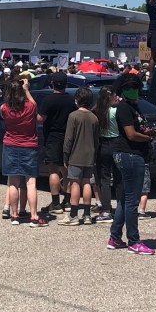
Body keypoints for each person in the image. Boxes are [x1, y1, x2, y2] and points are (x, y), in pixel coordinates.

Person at [108, 74, 156, 255]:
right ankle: (134, 240)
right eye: (130, 88)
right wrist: (148, 137)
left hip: (132, 154)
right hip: (129, 154)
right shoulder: (123, 108)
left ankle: (115, 236)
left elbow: (137, 129)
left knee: (124, 199)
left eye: (136, 87)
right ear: (123, 90)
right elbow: (131, 134)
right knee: (132, 201)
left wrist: (147, 131)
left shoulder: (134, 107)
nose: (134, 90)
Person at [0, 76, 47, 227]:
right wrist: (27, 90)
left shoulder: (4, 108)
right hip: (29, 144)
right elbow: (34, 104)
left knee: (13, 182)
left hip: (11, 144)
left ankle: (14, 215)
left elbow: (3, 114)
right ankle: (33, 216)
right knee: (31, 182)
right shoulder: (30, 107)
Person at [58, 87, 99, 226]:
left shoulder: (73, 116)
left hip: (76, 153)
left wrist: (65, 155)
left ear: (77, 100)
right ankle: (87, 214)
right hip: (90, 154)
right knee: (87, 182)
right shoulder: (94, 118)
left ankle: (73, 214)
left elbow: (68, 138)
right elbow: (96, 139)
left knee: (75, 183)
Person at [38, 72, 77, 214]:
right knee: (66, 169)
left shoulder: (48, 100)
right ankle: (66, 201)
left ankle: (55, 203)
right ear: (66, 84)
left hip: (53, 137)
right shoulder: (72, 100)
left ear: (52, 83)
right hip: (68, 137)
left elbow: (40, 119)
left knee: (53, 170)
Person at [93, 86, 121, 223]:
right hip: (117, 143)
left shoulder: (97, 112)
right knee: (118, 177)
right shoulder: (116, 111)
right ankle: (121, 206)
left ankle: (106, 210)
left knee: (104, 178)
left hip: (102, 144)